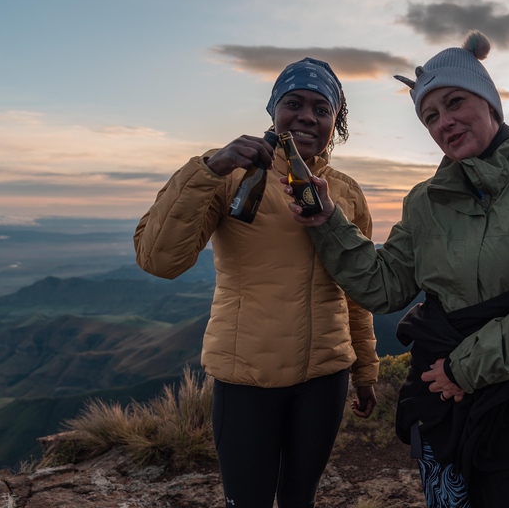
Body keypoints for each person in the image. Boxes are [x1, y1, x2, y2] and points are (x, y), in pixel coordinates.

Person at [283, 32, 509, 508]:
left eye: (455, 102)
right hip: (442, 400)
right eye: (430, 116)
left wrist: (464, 368)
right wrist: (328, 223)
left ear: (490, 100)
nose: (444, 122)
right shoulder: (424, 200)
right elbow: (385, 285)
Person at [133, 57, 379, 508]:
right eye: (294, 103)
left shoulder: (345, 191)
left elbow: (356, 291)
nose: (307, 116)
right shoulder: (232, 176)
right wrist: (210, 168)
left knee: (299, 498)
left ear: (334, 123)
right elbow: (159, 260)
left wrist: (365, 370)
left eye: (322, 109)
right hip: (246, 378)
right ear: (273, 110)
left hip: (325, 378)